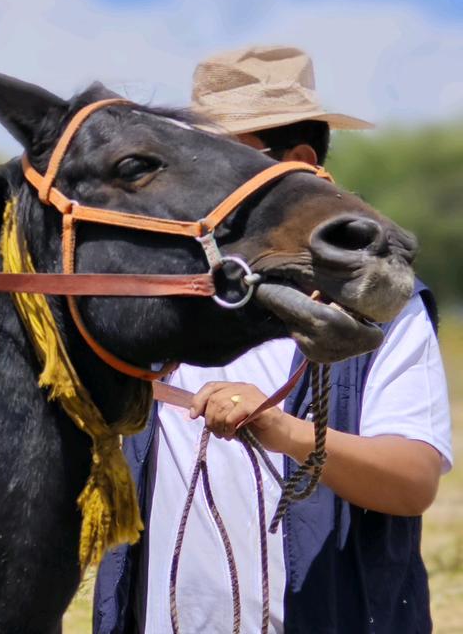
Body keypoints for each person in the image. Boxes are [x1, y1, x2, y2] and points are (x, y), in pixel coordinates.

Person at [94, 45, 452, 634]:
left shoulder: (385, 307)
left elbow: (412, 482)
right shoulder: (157, 301)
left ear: (302, 164)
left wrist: (282, 432)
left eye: (226, 158)